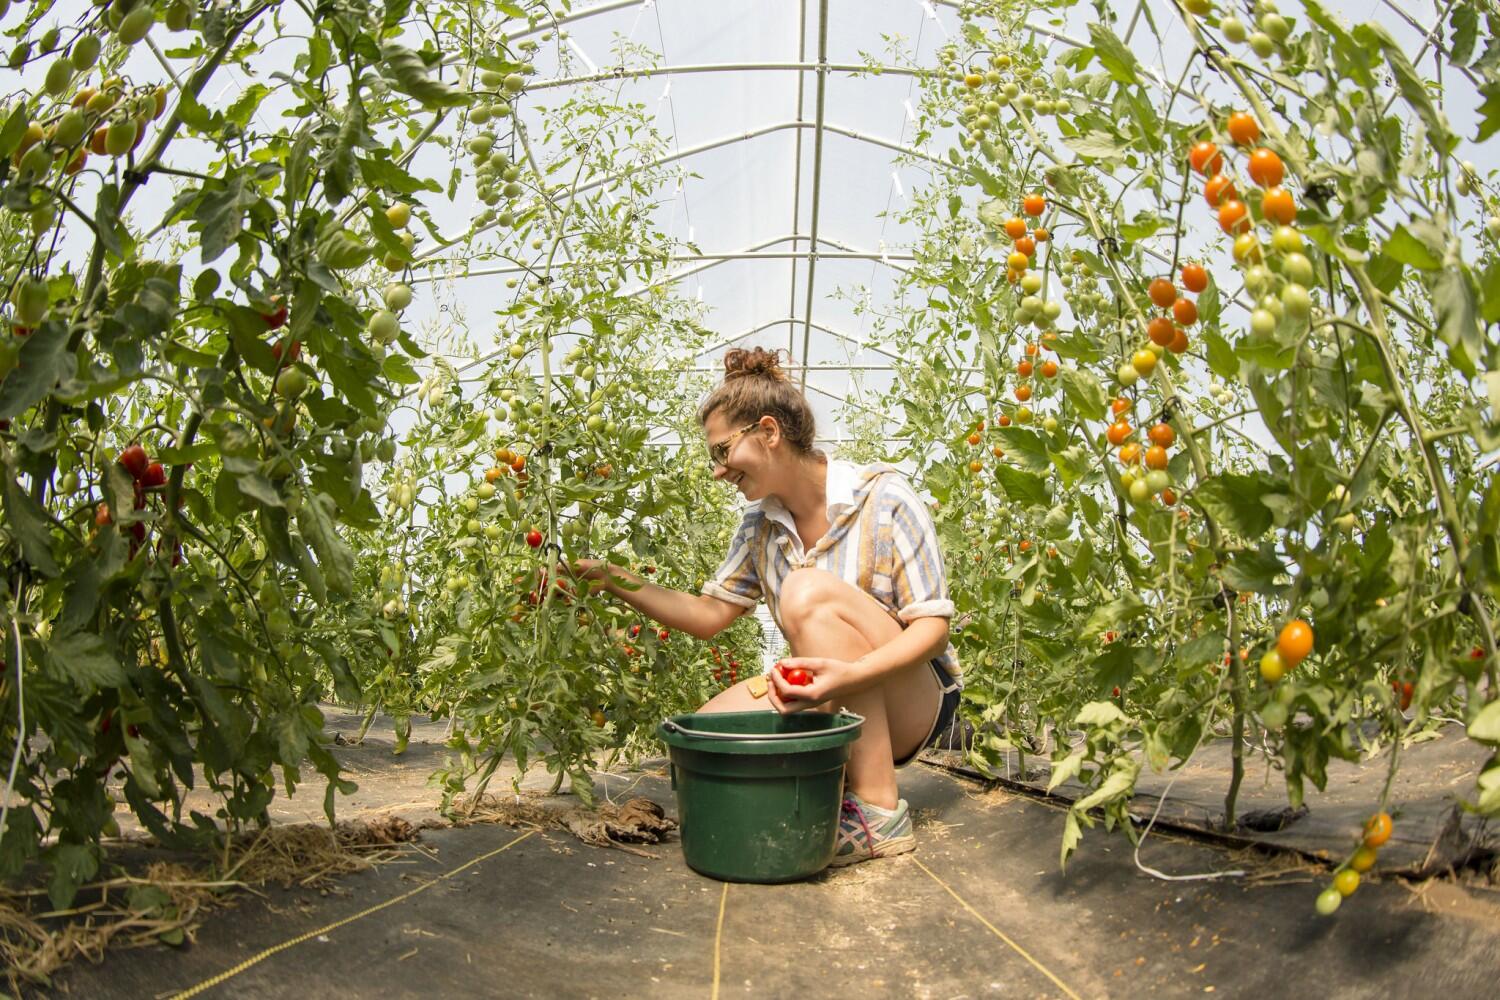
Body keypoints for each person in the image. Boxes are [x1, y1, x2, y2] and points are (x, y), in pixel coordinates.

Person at [572, 346, 961, 866]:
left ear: (769, 432)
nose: (718, 471)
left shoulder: (883, 498)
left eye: (722, 451)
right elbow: (709, 616)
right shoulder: (759, 527)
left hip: (911, 700)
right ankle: (830, 785)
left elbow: (932, 631)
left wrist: (848, 677)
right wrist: (613, 578)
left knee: (806, 590)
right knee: (702, 740)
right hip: (831, 694)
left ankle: (876, 811)